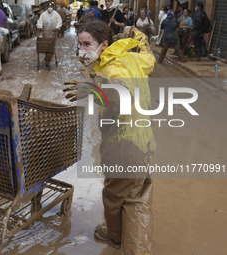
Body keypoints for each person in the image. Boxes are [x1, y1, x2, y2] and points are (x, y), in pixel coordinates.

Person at [66, 20, 156, 254]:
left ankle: (116, 237)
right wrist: (137, 35)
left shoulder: (113, 67)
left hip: (124, 145)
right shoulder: (133, 58)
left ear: (104, 44)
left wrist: (92, 88)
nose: (82, 50)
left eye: (88, 44)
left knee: (115, 197)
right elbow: (148, 54)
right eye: (80, 44)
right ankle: (127, 239)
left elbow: (121, 97)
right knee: (136, 197)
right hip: (143, 141)